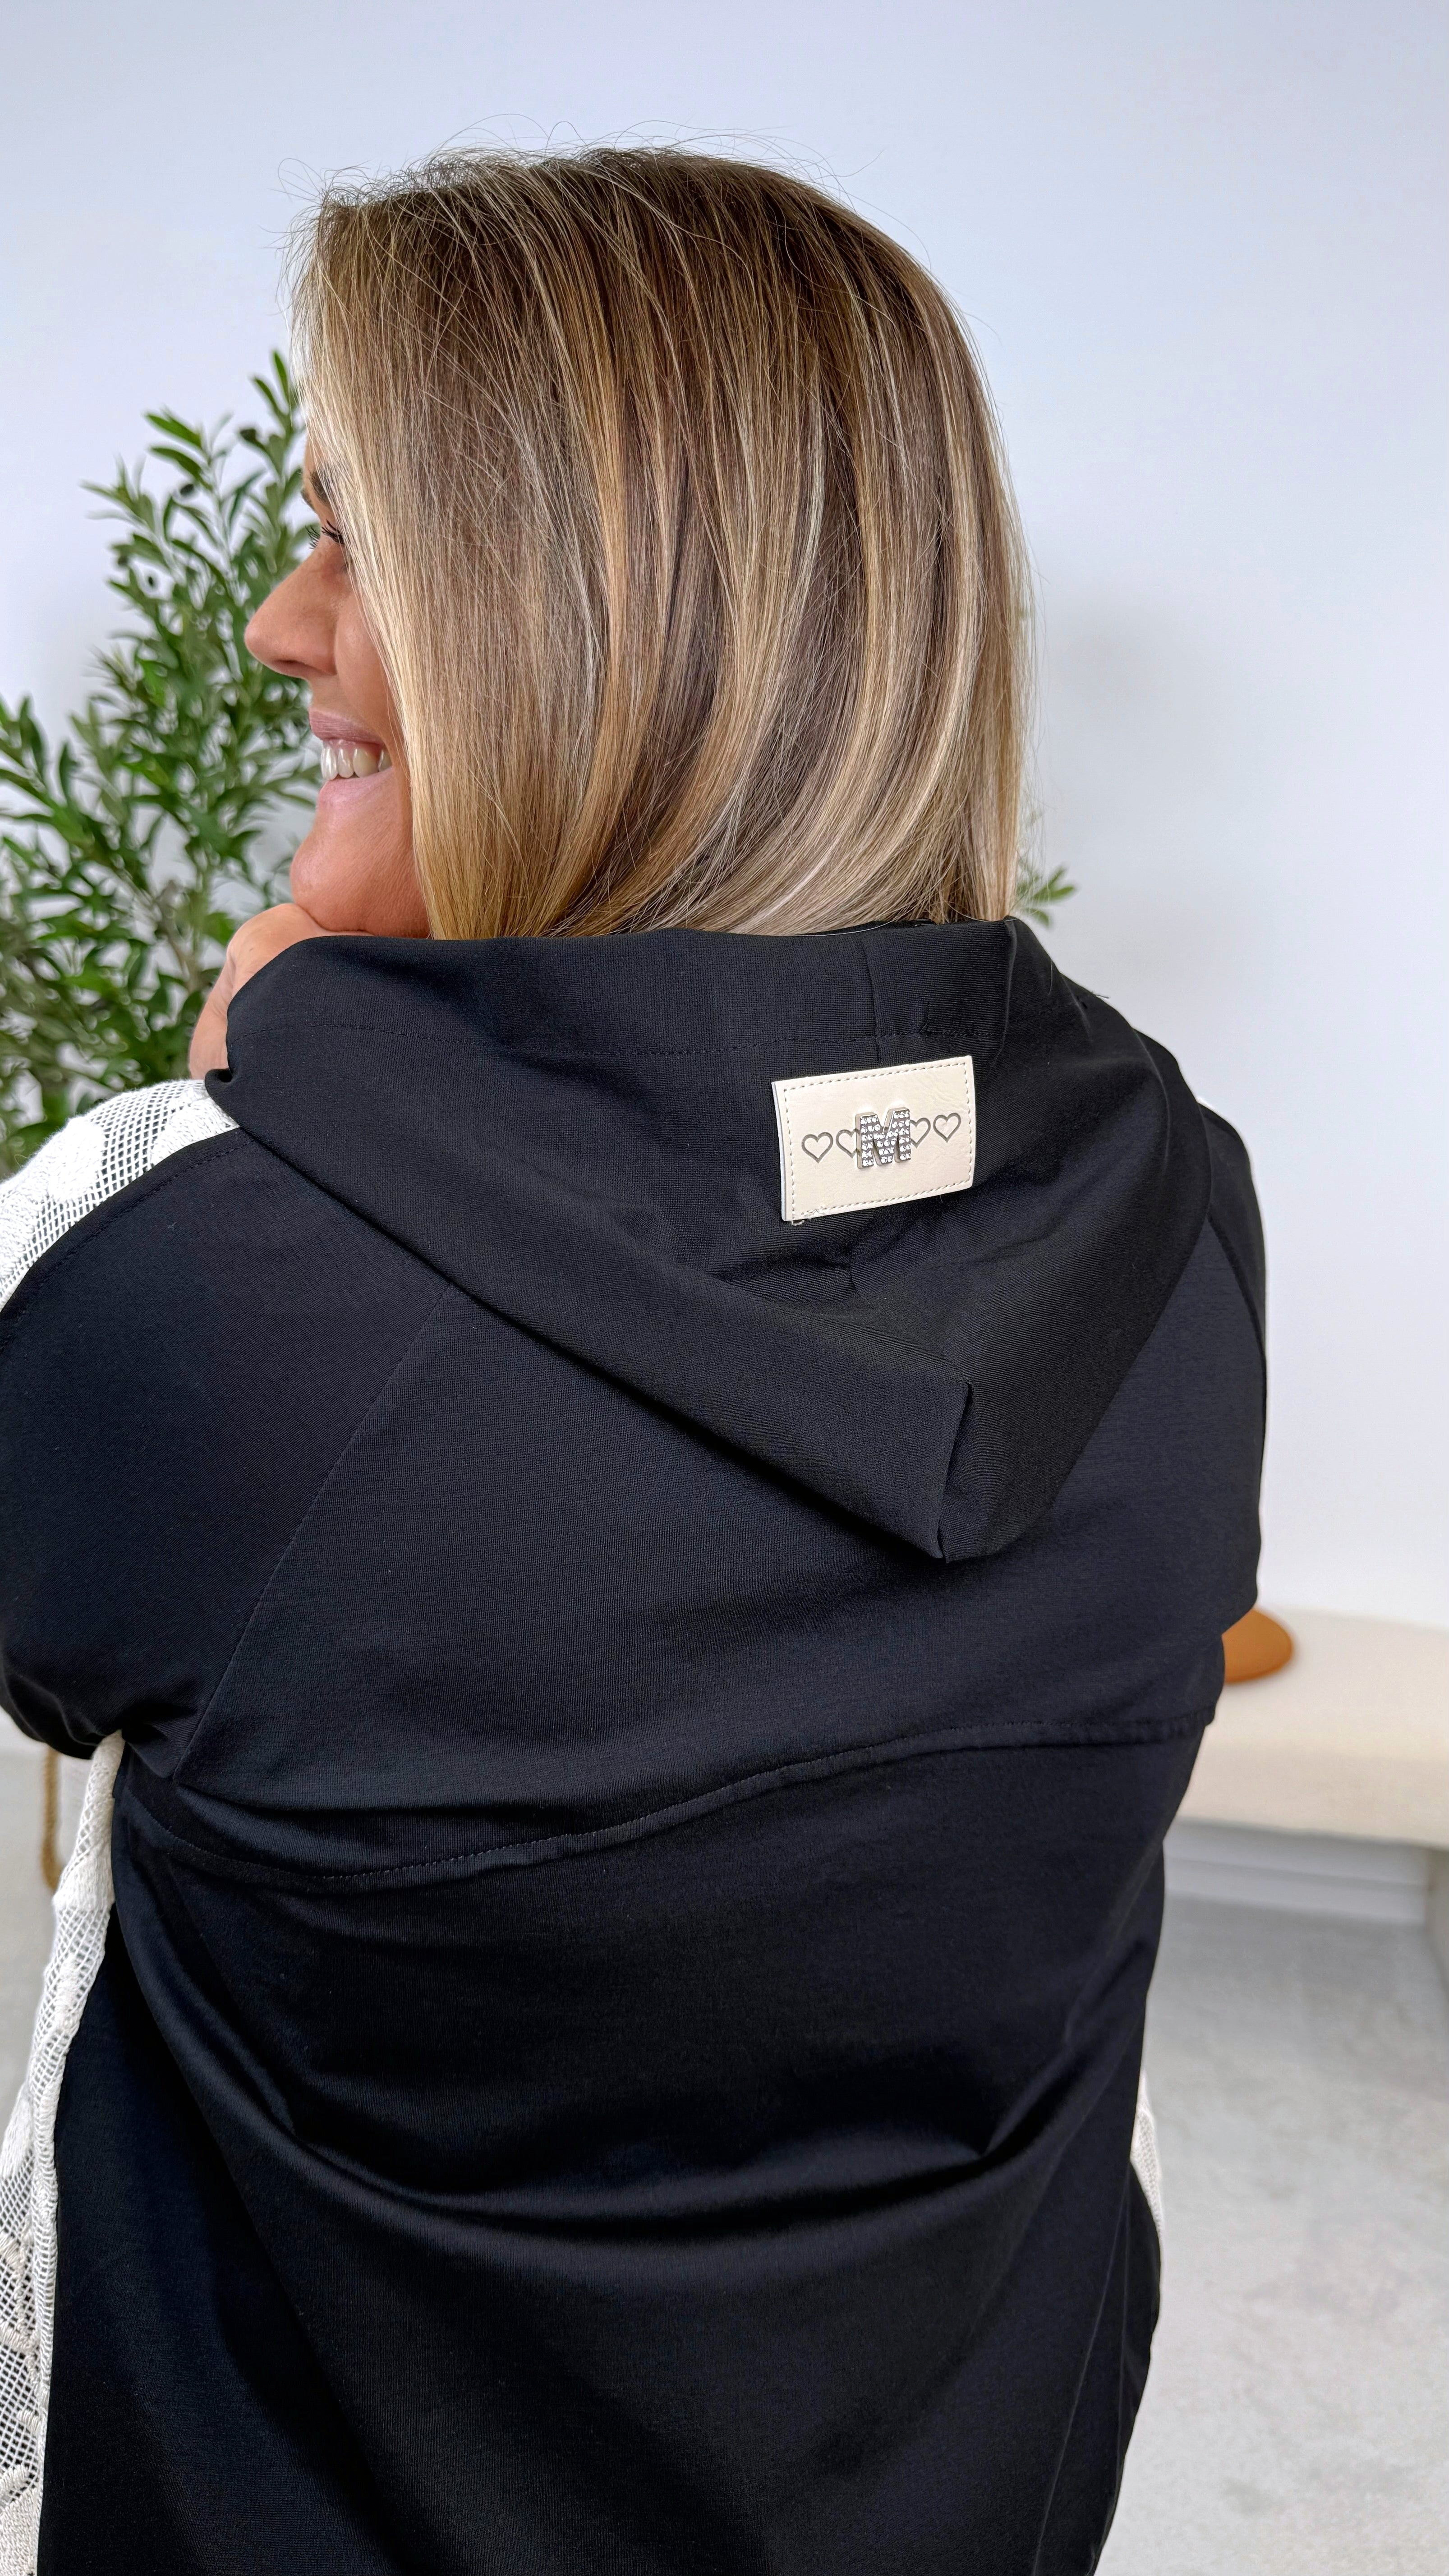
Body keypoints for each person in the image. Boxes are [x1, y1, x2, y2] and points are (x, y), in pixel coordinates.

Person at [0, 147, 1264, 2575]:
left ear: (580, 627)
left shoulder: (216, 1285)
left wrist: (288, 1108)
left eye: (350, 539)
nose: (276, 625)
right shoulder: (1182, 1218)